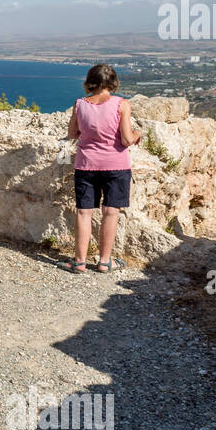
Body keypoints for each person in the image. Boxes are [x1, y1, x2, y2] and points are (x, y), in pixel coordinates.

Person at [61, 63, 141, 274]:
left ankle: (79, 262)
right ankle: (105, 262)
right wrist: (138, 134)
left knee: (84, 212)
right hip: (116, 166)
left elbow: (72, 133)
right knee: (111, 212)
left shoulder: (80, 104)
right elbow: (126, 139)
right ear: (113, 82)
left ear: (90, 82)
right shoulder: (121, 104)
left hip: (86, 165)